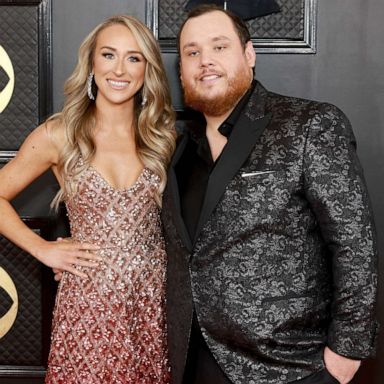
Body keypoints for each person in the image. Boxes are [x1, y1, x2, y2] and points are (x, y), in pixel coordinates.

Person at [161, 5, 378, 384]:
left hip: (292, 368)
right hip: (195, 364)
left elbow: (354, 243)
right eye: (192, 52)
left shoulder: (309, 124)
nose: (205, 61)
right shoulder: (178, 153)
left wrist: (347, 352)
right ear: (181, 70)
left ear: (249, 55)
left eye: (219, 47)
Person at [0, 14, 175, 383]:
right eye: (109, 55)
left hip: (148, 305)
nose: (120, 69)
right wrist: (42, 248)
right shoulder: (60, 134)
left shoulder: (162, 137)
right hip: (88, 304)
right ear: (92, 63)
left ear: (147, 69)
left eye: (134, 57)